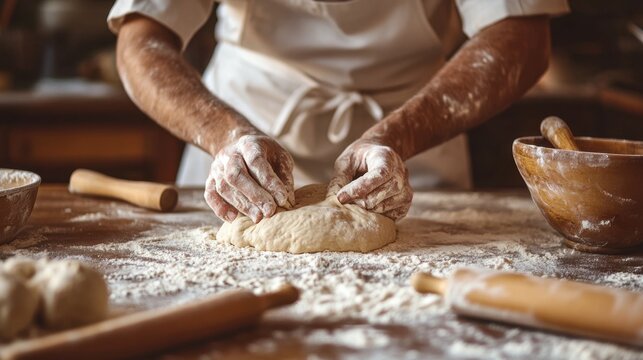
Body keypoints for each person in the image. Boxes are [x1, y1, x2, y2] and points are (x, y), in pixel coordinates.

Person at [108, 0, 569, 224]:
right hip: (241, 144)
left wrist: (394, 137)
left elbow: (521, 33)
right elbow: (141, 40)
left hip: (413, 142)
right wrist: (226, 136)